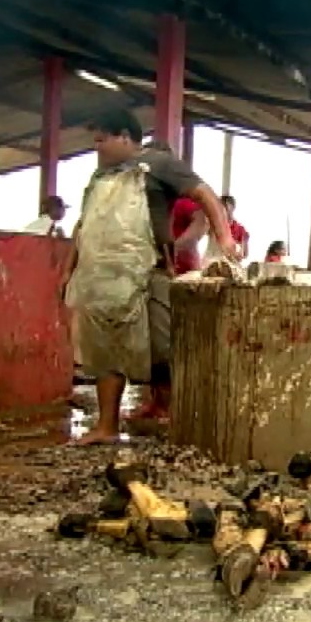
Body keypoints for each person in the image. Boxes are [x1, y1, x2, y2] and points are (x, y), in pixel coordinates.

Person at [62, 109, 237, 446]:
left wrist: (225, 238)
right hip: (101, 279)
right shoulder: (100, 176)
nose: (97, 148)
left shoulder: (159, 164)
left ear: (126, 136)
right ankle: (107, 427)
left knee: (164, 350)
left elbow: (206, 196)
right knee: (104, 352)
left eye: (102, 140)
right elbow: (83, 226)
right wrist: (68, 269)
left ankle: (177, 419)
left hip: (148, 272)